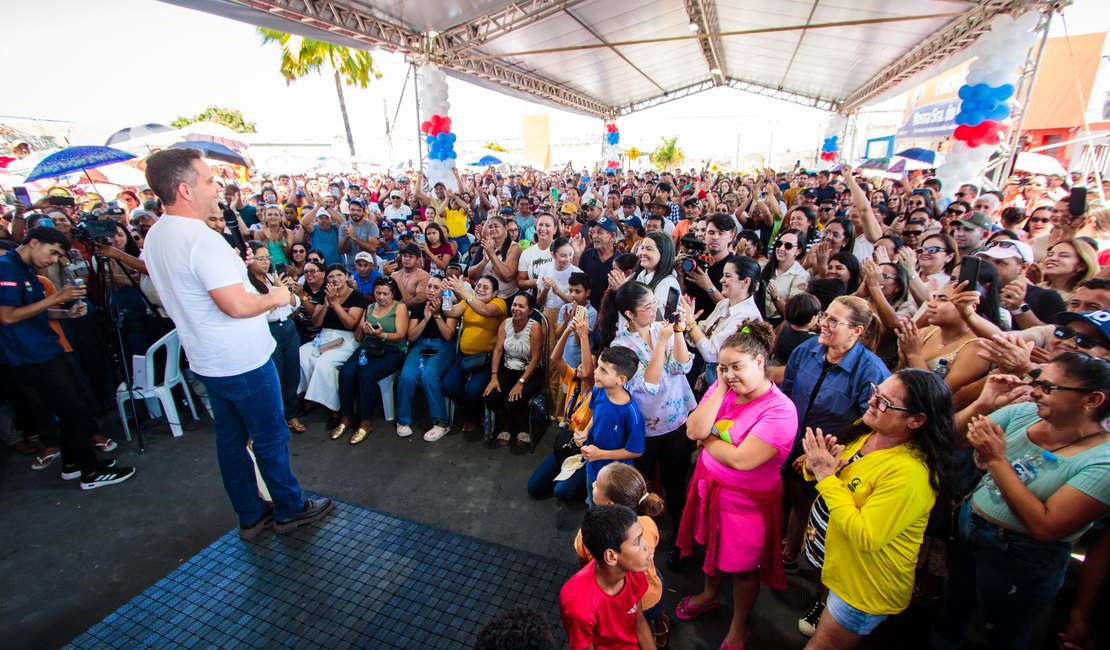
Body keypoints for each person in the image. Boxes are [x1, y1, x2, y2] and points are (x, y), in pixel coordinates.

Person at [142, 148, 330, 534]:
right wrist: (277, 298)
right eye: (209, 180)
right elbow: (237, 305)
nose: (218, 186)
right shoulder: (200, 240)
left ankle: (250, 514)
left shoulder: (157, 234)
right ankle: (289, 508)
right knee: (269, 436)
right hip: (241, 359)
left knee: (230, 441)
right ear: (185, 189)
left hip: (206, 359)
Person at [933, 353, 1110, 650]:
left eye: (1049, 388)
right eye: (1038, 381)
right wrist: (983, 404)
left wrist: (997, 460)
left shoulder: (1102, 461)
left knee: (1001, 633)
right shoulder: (1024, 413)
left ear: (1091, 400)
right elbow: (948, 439)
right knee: (951, 610)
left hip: (1022, 559)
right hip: (970, 531)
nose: (1036, 391)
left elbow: (1045, 526)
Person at [800, 370, 954, 648]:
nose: (872, 401)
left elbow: (866, 535)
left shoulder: (909, 475)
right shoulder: (869, 430)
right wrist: (816, 468)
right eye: (876, 391)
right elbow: (841, 477)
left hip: (863, 586)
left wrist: (825, 477)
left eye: (885, 402)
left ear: (916, 420)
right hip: (840, 567)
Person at [674, 321, 797, 650]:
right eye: (723, 368)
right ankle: (710, 594)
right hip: (710, 489)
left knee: (743, 569)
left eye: (737, 367)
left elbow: (742, 459)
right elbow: (692, 429)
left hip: (747, 505)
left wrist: (709, 439)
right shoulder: (726, 388)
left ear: (760, 363)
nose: (729, 374)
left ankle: (739, 627)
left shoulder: (780, 411)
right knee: (711, 549)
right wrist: (723, 388)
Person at [780, 296, 890, 574]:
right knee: (797, 502)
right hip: (793, 445)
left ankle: (816, 574)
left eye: (833, 320)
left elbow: (869, 425)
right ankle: (790, 551)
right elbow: (787, 395)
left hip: (835, 459)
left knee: (823, 515)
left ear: (857, 331)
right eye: (824, 316)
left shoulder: (872, 371)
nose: (823, 324)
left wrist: (821, 454)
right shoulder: (806, 350)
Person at [601, 281, 696, 565]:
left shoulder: (661, 328)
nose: (655, 310)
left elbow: (683, 366)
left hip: (676, 420)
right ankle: (641, 542)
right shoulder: (621, 346)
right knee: (641, 490)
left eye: (655, 303)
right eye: (647, 307)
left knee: (676, 483)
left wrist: (678, 331)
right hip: (646, 427)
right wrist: (664, 341)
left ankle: (680, 541)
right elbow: (648, 384)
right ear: (630, 314)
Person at [577, 464, 669, 648]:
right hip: (652, 593)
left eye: (597, 485)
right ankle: (661, 633)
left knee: (632, 630)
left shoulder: (587, 535)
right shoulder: (648, 524)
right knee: (656, 611)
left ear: (610, 504)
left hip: (623, 608)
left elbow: (584, 569)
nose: (593, 483)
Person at [559, 505, 656, 650]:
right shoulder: (579, 607)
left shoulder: (633, 571)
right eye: (637, 542)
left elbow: (639, 623)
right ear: (611, 556)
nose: (646, 545)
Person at [527, 310, 595, 501]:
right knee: (535, 488)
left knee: (561, 491)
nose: (582, 365)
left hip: (584, 448)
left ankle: (583, 485)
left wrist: (583, 337)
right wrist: (568, 329)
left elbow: (589, 371)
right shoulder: (574, 379)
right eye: (581, 362)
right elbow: (555, 359)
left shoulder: (598, 392)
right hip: (567, 440)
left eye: (588, 362)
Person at [333, 277, 409, 445]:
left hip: (392, 350)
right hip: (369, 346)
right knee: (347, 372)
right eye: (378, 293)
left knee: (366, 374)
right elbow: (358, 337)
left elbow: (401, 335)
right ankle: (345, 417)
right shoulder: (369, 308)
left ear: (393, 293)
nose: (381, 297)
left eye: (385, 294)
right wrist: (363, 326)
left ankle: (365, 421)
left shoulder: (400, 307)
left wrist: (382, 335)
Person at [571, 346, 646, 505]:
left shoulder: (631, 414)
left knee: (611, 514)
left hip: (615, 479)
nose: (596, 372)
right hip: (593, 466)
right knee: (593, 503)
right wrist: (585, 432)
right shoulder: (599, 390)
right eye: (598, 366)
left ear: (621, 380)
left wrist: (601, 454)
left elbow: (635, 450)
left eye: (604, 370)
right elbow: (596, 415)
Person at [298, 264, 367, 428]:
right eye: (331, 277)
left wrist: (336, 304)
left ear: (346, 276)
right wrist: (327, 304)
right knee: (302, 354)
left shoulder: (356, 296)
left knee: (324, 363)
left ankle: (335, 408)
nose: (335, 279)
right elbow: (316, 321)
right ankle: (311, 397)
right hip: (324, 336)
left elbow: (351, 324)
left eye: (339, 275)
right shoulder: (325, 295)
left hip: (347, 339)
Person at [246, 242, 304, 434]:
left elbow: (294, 305)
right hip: (269, 330)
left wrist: (289, 291)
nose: (265, 263)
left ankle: (291, 413)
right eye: (260, 258)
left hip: (288, 327)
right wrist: (275, 294)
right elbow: (259, 312)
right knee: (274, 377)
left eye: (267, 258)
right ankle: (274, 419)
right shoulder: (247, 285)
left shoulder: (274, 278)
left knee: (291, 374)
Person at [680, 255, 764, 386]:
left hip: (728, 384)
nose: (721, 280)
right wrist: (694, 328)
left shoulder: (748, 316)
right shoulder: (724, 304)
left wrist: (691, 324)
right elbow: (700, 332)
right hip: (710, 375)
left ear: (746, 282)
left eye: (728, 276)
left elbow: (711, 354)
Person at [441, 274, 508, 436]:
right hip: (464, 358)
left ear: (495, 292)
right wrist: (447, 295)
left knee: (472, 390)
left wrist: (463, 292)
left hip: (486, 360)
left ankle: (472, 417)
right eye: (478, 286)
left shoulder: (499, 303)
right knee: (448, 385)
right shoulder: (468, 302)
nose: (480, 289)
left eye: (486, 287)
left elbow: (484, 310)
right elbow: (450, 313)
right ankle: (474, 409)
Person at [395, 275, 457, 440]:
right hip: (421, 345)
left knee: (429, 376)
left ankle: (441, 422)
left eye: (436, 287)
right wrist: (425, 319)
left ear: (443, 291)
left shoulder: (450, 308)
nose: (431, 290)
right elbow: (411, 336)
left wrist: (437, 316)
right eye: (429, 286)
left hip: (442, 345)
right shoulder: (418, 307)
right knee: (407, 376)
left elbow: (448, 335)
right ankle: (403, 420)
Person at [483, 292, 545, 447]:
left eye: (521, 306)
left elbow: (536, 358)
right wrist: (494, 376)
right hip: (508, 367)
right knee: (490, 397)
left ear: (530, 310)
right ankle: (507, 423)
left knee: (517, 399)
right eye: (514, 305)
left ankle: (525, 427)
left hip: (530, 371)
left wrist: (521, 382)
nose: (516, 308)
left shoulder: (535, 328)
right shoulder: (505, 323)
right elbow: (497, 351)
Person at [628, 232, 681, 320]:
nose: (642, 252)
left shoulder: (668, 283)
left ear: (663, 254)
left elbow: (658, 320)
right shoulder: (637, 275)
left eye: (649, 249)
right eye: (642, 248)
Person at [763, 229, 811, 327]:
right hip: (757, 317)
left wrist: (776, 296)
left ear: (799, 250)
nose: (781, 248)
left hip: (779, 324)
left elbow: (790, 314)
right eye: (779, 244)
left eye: (788, 246)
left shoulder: (801, 276)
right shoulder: (763, 266)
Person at [469, 215, 522, 299]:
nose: (493, 229)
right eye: (490, 227)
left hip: (505, 297)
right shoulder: (485, 246)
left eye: (496, 226)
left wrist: (492, 254)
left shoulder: (514, 247)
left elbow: (507, 277)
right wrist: (484, 261)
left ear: (505, 229)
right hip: (483, 295)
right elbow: (471, 275)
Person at [574, 216, 620, 311]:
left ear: (612, 236)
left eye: (599, 232)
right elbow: (575, 281)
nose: (594, 236)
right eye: (594, 232)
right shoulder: (586, 255)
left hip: (610, 314)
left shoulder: (621, 260)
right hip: (587, 312)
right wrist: (577, 255)